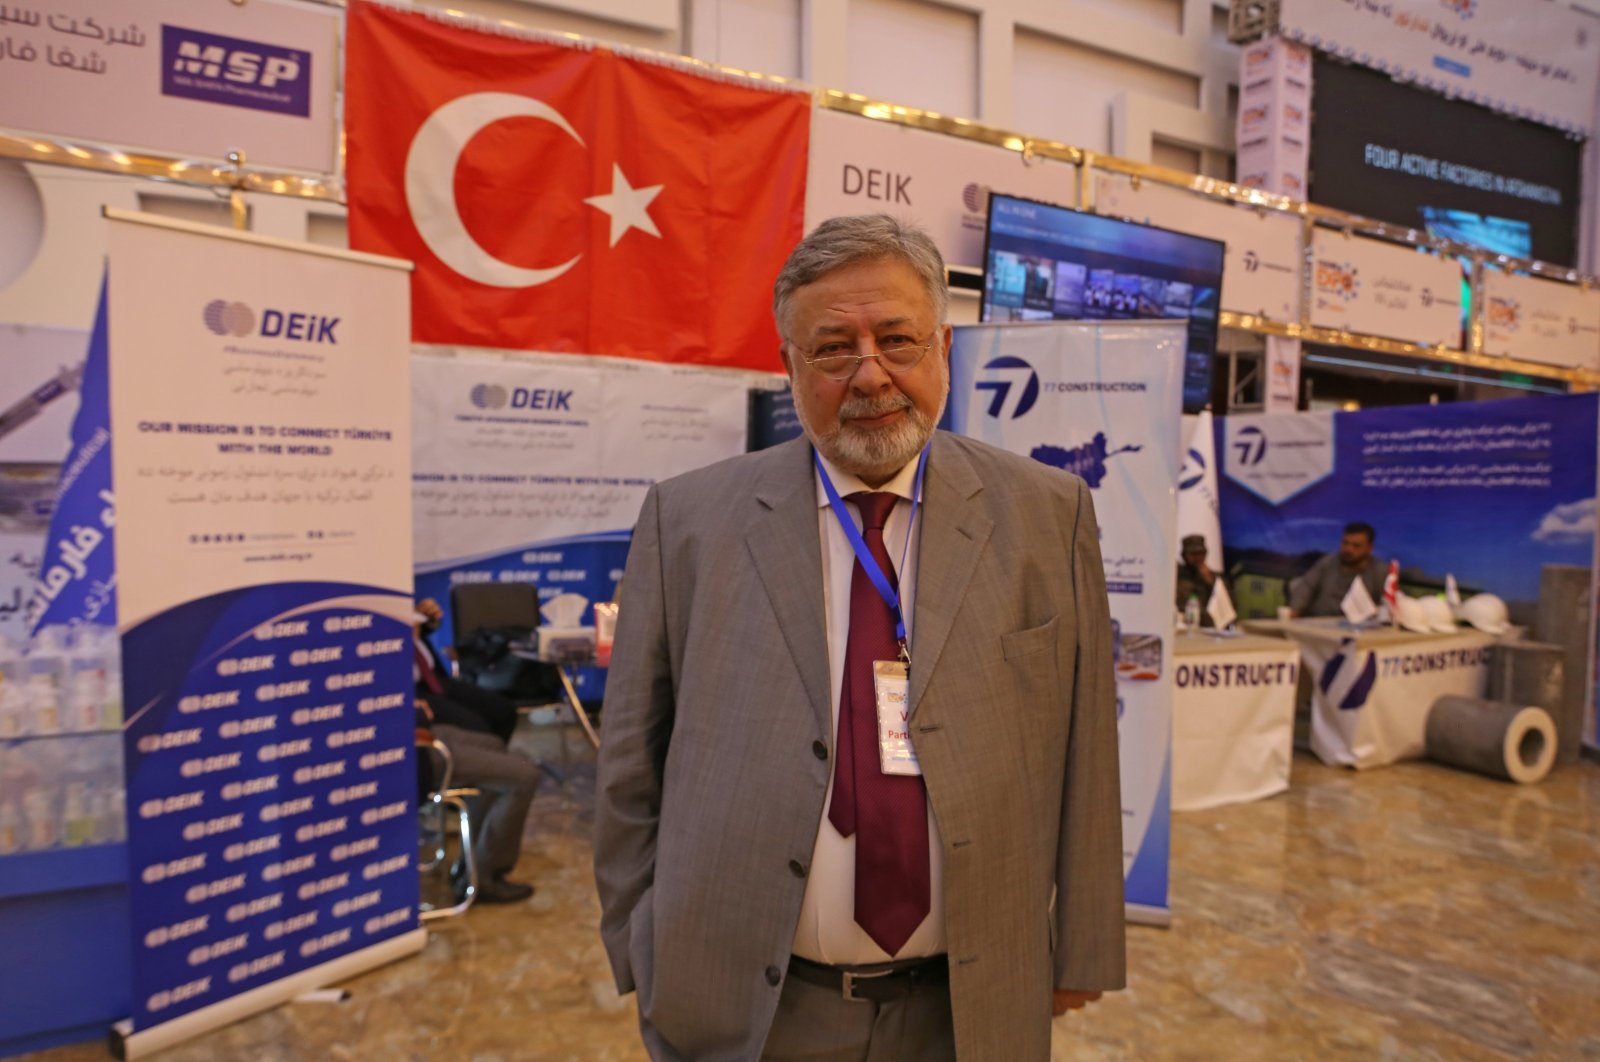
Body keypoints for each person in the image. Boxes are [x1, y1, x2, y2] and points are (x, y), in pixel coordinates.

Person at [593, 214, 1126, 1061]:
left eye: (899, 339)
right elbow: (630, 759)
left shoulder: (1047, 515)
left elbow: (1087, 750)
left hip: (972, 1004)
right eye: (834, 348)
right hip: (748, 1007)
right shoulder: (687, 521)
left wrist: (1087, 943)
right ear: (789, 367)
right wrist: (640, 942)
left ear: (943, 348)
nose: (871, 374)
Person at [413, 599, 539, 904]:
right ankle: (486, 877)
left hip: (419, 729)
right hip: (416, 751)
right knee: (524, 776)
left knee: (494, 744)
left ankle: (472, 865)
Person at [1286, 522, 1385, 618]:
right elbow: (1307, 586)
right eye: (1345, 543)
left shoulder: (1379, 572)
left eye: (1356, 546)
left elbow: (1386, 604)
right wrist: (1295, 610)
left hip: (1361, 628)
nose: (1348, 549)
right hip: (1320, 622)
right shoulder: (1327, 563)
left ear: (1369, 548)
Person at [1175, 533, 1225, 626]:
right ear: (1184, 555)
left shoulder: (1214, 577)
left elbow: (1225, 605)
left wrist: (1210, 581)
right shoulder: (1178, 574)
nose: (1198, 558)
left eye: (1201, 554)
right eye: (1194, 554)